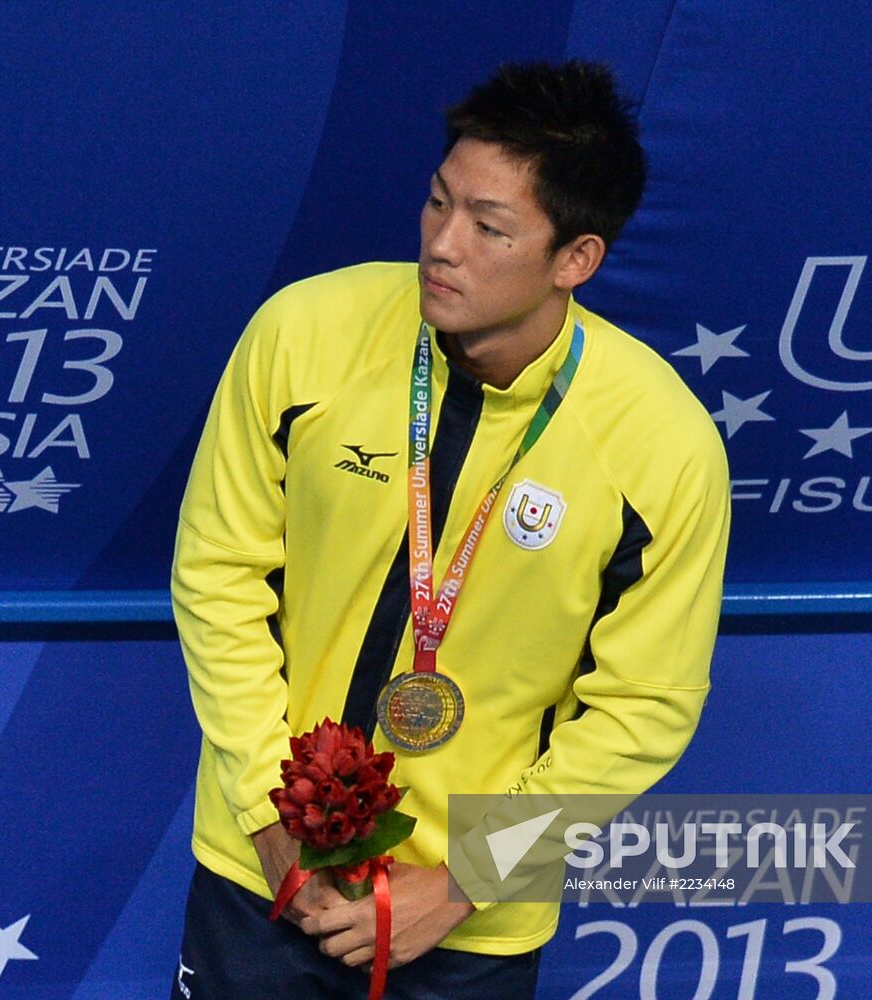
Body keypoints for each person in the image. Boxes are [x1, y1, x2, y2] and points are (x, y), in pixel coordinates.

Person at [170, 60, 730, 998]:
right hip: (257, 879)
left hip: (463, 924)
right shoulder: (303, 333)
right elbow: (217, 576)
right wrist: (268, 810)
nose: (443, 245)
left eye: (489, 227)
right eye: (438, 205)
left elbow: (644, 708)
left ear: (576, 259)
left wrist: (467, 878)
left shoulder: (661, 446)